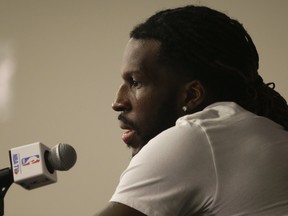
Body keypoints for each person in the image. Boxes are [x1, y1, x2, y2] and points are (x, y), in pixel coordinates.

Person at [96, 5, 288, 216]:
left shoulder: (197, 137)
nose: (118, 102)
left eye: (135, 82)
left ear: (192, 95)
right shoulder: (270, 132)